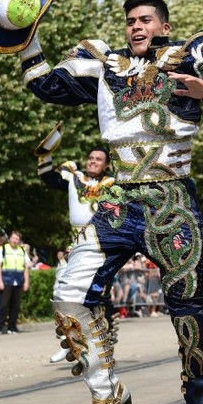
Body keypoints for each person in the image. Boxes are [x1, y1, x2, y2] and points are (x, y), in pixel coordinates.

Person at [0, 0, 203, 404]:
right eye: (130, 21)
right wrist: (26, 39)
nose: (136, 27)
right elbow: (45, 85)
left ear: (163, 25)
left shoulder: (197, 55)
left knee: (186, 310)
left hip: (171, 197)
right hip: (119, 199)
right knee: (69, 292)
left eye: (145, 20)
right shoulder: (104, 63)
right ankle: (107, 394)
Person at [36, 134, 118, 363]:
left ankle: (104, 343)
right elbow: (49, 179)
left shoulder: (113, 184)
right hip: (75, 243)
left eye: (98, 159)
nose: (92, 161)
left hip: (101, 244)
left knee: (97, 296)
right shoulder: (75, 178)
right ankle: (70, 341)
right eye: (90, 158)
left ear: (106, 164)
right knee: (60, 292)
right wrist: (45, 156)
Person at [0, 230, 30, 334]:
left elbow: (26, 268)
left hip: (18, 281)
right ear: (10, 238)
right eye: (13, 238)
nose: (15, 240)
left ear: (19, 241)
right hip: (6, 280)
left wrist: (26, 282)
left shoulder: (22, 250)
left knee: (15, 306)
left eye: (17, 239)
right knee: (4, 305)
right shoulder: (3, 248)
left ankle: (12, 327)